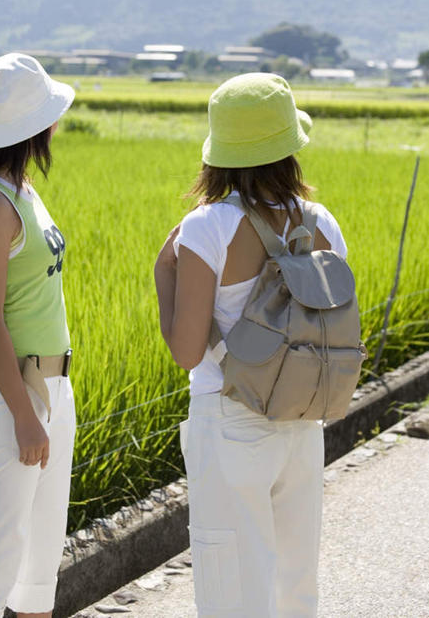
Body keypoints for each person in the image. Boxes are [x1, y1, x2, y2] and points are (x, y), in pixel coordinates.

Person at [154, 73, 347, 618]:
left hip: (231, 419)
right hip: (303, 420)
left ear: (221, 154)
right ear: (289, 148)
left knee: (233, 591)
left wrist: (161, 272)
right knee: (293, 585)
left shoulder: (207, 227)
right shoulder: (322, 223)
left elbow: (187, 351)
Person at [0, 53, 77, 618]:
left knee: (40, 558)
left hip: (52, 384)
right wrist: (24, 414)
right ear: (37, 125)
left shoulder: (21, 186)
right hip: (12, 396)